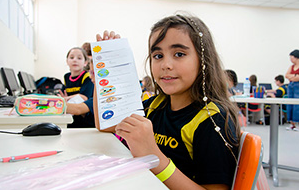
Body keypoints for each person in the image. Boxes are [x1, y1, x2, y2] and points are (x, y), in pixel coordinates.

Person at [94, 14, 240, 189]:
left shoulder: (212, 120)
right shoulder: (155, 106)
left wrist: (153, 156)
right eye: (158, 56)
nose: (166, 65)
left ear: (203, 60)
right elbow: (106, 124)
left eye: (179, 54)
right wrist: (104, 77)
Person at [59, 47, 94, 128]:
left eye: (79, 58)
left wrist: (66, 99)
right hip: (70, 112)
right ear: (67, 61)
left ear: (85, 62)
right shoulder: (66, 76)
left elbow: (84, 97)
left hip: (84, 116)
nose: (75, 60)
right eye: (71, 57)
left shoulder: (87, 77)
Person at [285, 49, 299, 131]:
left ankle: (297, 123)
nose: (290, 59)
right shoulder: (291, 67)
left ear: (296, 57)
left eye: (291, 57)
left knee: (297, 105)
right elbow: (286, 75)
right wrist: (295, 76)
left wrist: (293, 76)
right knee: (289, 104)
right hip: (291, 86)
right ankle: (292, 123)